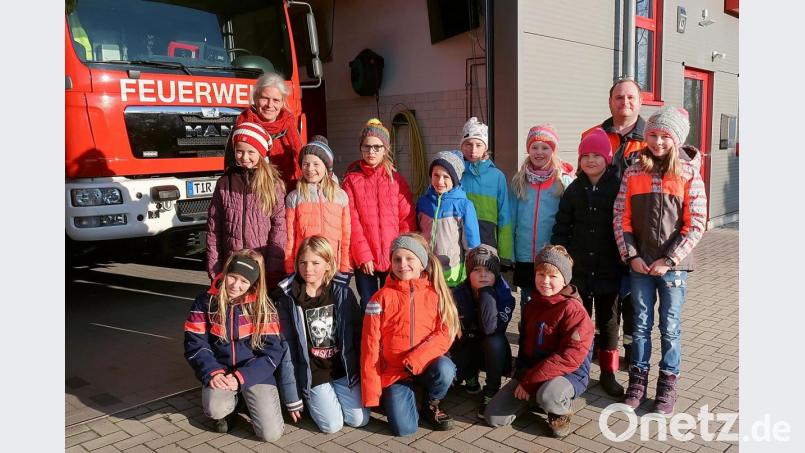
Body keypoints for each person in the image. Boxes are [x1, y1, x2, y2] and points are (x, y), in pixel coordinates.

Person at [613, 107, 706, 415]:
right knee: (639, 325)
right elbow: (620, 217)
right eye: (652, 134)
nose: (657, 142)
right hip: (640, 265)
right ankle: (637, 382)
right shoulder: (633, 171)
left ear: (676, 139)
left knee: (670, 326)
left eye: (665, 136)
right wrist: (632, 255)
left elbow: (696, 223)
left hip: (672, 268)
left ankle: (667, 385)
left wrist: (669, 258)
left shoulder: (688, 172)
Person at [184, 249, 295, 442]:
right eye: (233, 277)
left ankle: (246, 398)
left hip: (253, 371)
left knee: (270, 435)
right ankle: (230, 407)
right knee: (215, 409)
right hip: (221, 371)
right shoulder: (204, 302)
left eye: (244, 281)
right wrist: (213, 372)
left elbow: (272, 354)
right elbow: (195, 344)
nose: (236, 285)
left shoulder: (264, 307)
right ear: (225, 273)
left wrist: (241, 378)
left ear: (253, 283)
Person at [484, 245, 594, 439]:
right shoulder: (532, 304)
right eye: (541, 274)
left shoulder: (574, 311)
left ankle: (559, 409)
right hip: (534, 372)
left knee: (549, 394)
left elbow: (568, 358)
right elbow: (526, 347)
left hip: (568, 375)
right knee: (494, 417)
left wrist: (528, 384)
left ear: (565, 279)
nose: (545, 281)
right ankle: (535, 399)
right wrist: (522, 376)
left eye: (553, 276)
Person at [361, 233, 461, 436]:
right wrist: (372, 394)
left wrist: (417, 358)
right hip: (395, 373)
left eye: (409, 258)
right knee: (405, 429)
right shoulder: (379, 298)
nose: (402, 264)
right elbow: (369, 346)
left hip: (425, 364)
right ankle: (402, 396)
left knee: (446, 369)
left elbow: (446, 332)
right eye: (397, 259)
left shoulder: (436, 294)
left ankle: (430, 403)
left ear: (422, 262)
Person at [552, 127, 626, 397]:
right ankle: (577, 368)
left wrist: (625, 262)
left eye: (597, 155)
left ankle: (608, 373)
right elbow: (562, 227)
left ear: (607, 159)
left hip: (609, 270)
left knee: (608, 324)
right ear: (580, 160)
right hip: (579, 271)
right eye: (586, 156)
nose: (591, 160)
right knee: (578, 323)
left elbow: (625, 226)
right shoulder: (573, 190)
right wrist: (562, 264)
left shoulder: (617, 187)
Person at [272, 236, 370, 433]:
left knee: (359, 419)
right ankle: (312, 397)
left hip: (341, 369)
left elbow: (360, 333)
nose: (308, 269)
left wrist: (364, 378)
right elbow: (287, 350)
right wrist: (292, 398)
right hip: (314, 373)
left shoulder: (342, 293)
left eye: (316, 263)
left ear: (328, 264)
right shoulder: (288, 300)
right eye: (303, 262)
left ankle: (334, 395)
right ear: (297, 263)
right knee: (332, 426)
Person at [582, 77, 648, 361]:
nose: (625, 102)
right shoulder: (593, 134)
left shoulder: (651, 139)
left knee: (633, 299)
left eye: (631, 97)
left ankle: (633, 351)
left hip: (637, 233)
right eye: (619, 97)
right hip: (602, 233)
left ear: (640, 102)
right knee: (606, 299)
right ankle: (603, 346)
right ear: (610, 102)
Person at [342, 119, 416, 310]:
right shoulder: (351, 181)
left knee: (392, 304)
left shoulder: (397, 180)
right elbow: (352, 222)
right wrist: (363, 255)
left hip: (393, 259)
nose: (371, 152)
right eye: (367, 147)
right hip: (365, 259)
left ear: (385, 149)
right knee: (370, 305)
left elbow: (406, 221)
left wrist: (399, 255)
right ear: (361, 148)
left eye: (377, 147)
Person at [206, 122, 287, 287]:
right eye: (239, 151)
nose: (244, 157)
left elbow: (279, 228)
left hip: (261, 268)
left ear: (261, 153)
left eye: (251, 152)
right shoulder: (224, 183)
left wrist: (273, 268)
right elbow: (214, 228)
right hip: (232, 269)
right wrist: (215, 268)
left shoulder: (273, 184)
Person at [449, 244, 516, 419]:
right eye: (476, 269)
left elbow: (490, 328)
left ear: (497, 273)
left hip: (492, 352)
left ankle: (491, 390)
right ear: (468, 272)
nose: (483, 274)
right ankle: (469, 376)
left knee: (495, 341)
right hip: (466, 344)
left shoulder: (505, 296)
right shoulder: (457, 294)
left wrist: (486, 293)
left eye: (488, 270)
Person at [510, 124, 574, 305]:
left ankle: (549, 334)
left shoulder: (563, 181)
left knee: (551, 299)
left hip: (551, 254)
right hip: (524, 254)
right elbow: (512, 219)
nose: (539, 152)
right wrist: (511, 252)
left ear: (553, 151)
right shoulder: (519, 182)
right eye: (534, 147)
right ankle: (528, 333)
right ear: (528, 149)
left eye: (545, 147)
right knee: (528, 299)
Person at [284, 137, 352, 275]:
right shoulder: (294, 197)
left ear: (326, 167)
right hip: (306, 267)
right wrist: (289, 267)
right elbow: (289, 237)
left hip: (332, 265)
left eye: (316, 164)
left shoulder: (340, 196)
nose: (310, 169)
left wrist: (344, 265)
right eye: (305, 164)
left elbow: (346, 234)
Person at [227, 72, 303, 190]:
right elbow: (230, 164)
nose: (269, 105)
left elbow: (302, 159)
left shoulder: (290, 125)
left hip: (287, 193)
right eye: (264, 98)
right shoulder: (242, 126)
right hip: (250, 194)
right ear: (256, 99)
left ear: (283, 102)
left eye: (276, 100)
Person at [416, 150, 481, 287]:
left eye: (446, 177)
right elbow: (416, 233)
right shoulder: (423, 202)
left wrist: (472, 272)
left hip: (453, 275)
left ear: (455, 179)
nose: (440, 181)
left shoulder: (464, 206)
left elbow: (472, 244)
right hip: (426, 271)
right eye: (436, 175)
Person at [458, 117, 514, 268]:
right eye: (468, 144)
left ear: (485, 147)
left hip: (488, 243)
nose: (473, 150)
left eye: (478, 145)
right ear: (462, 146)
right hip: (458, 243)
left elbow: (504, 216)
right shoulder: (455, 173)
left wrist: (505, 254)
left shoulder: (497, 176)